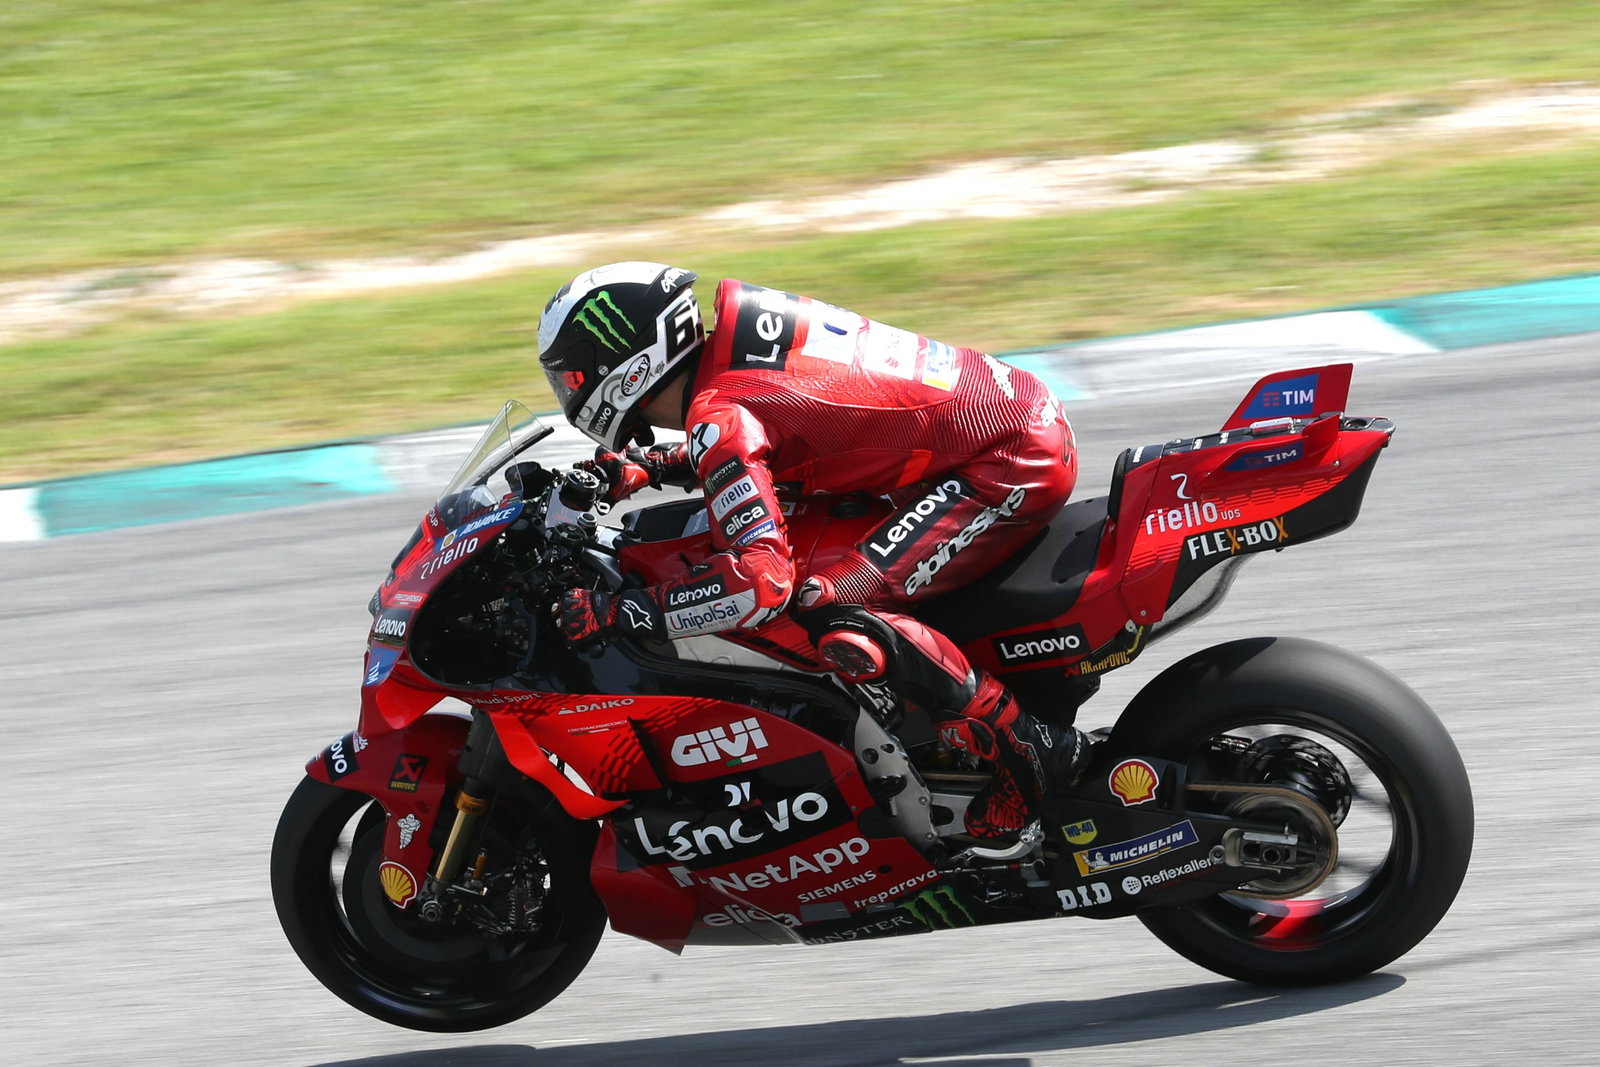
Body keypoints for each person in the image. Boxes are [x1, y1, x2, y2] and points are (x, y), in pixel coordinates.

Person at [538, 261, 1093, 843]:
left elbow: (760, 585)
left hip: (1005, 464)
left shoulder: (719, 412)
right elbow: (792, 428)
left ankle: (1028, 751)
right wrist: (649, 466)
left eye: (573, 378)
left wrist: (625, 612)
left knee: (826, 602)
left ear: (626, 365)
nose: (571, 392)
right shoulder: (732, 352)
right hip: (1003, 418)